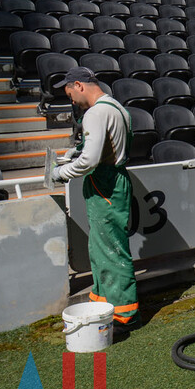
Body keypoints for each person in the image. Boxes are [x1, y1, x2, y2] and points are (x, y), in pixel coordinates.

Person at [51, 67, 140, 333]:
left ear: (79, 85)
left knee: (111, 250)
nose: (72, 102)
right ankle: (105, 304)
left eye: (70, 94)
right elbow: (104, 146)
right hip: (113, 182)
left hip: (105, 187)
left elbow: (90, 161)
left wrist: (61, 172)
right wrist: (76, 151)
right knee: (102, 249)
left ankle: (124, 315)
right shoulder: (117, 108)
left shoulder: (95, 113)